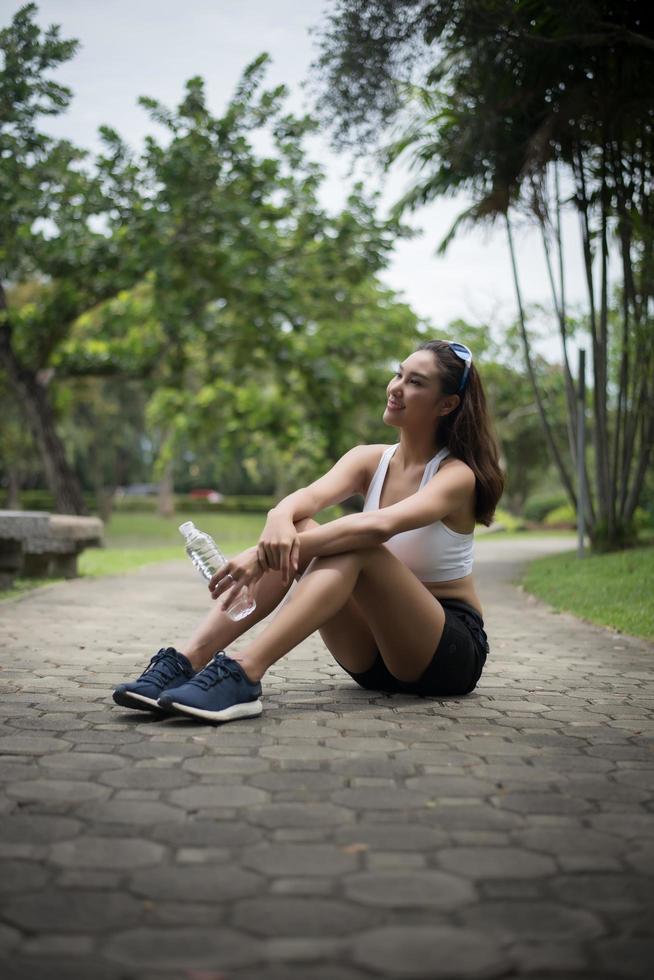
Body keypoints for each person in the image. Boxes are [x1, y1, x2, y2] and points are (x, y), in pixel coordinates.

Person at [112, 339, 504, 723]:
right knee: (302, 524)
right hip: (372, 655)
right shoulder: (369, 459)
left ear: (447, 404)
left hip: (443, 653)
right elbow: (304, 500)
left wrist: (258, 555)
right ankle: (187, 659)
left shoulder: (456, 477)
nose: (396, 388)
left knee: (359, 544)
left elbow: (378, 526)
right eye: (398, 374)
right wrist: (278, 518)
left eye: (416, 382)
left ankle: (245, 672)